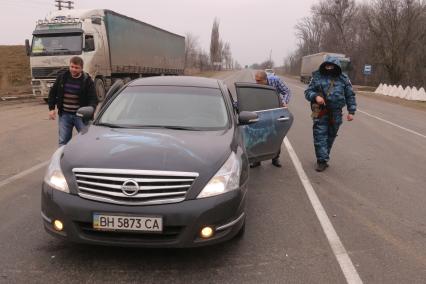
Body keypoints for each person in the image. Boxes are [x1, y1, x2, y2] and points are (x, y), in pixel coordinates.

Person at [304, 57, 356, 172]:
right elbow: (307, 92)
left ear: (336, 67)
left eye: (331, 66)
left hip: (336, 112)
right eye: (327, 66)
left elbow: (350, 95)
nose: (329, 68)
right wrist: (315, 96)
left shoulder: (344, 78)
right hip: (319, 110)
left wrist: (351, 111)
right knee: (319, 135)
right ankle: (321, 161)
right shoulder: (317, 76)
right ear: (324, 65)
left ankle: (324, 156)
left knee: (331, 136)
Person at [48, 56, 98, 146]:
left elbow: (93, 98)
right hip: (65, 115)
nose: (73, 69)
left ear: (81, 68)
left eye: (76, 68)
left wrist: (91, 110)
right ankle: (62, 159)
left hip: (81, 116)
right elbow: (52, 93)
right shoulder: (62, 77)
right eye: (72, 67)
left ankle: (86, 159)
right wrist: (51, 109)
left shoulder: (87, 80)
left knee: (86, 141)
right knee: (63, 141)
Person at [251, 70, 292, 168]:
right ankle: (257, 160)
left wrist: (284, 102)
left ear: (266, 80)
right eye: (256, 80)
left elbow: (287, 92)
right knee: (259, 135)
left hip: (275, 109)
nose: (257, 83)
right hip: (262, 109)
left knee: (275, 134)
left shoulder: (276, 81)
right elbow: (249, 95)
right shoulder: (257, 85)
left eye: (259, 81)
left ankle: (275, 158)